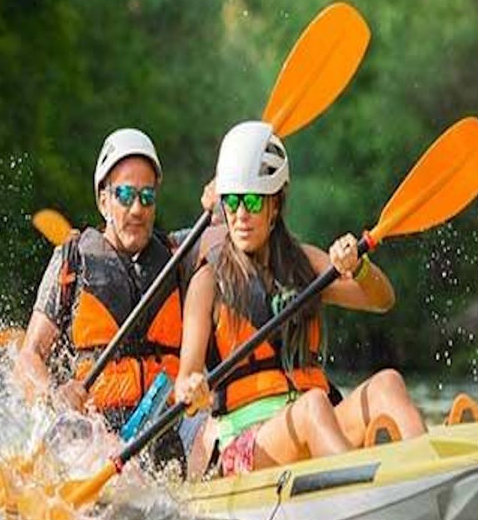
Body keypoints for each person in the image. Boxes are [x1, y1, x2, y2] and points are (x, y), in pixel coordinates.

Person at [174, 121, 426, 477]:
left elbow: (381, 300)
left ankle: (428, 470)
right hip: (244, 446)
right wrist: (193, 391)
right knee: (312, 408)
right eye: (231, 202)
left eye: (252, 201)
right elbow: (185, 380)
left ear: (275, 205)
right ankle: (362, 487)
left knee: (387, 384)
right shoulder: (207, 281)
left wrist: (358, 267)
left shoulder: (303, 262)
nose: (240, 215)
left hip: (315, 420)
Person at [16, 128, 196, 440]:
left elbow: (231, 226)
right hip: (95, 432)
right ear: (103, 201)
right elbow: (28, 356)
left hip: (168, 428)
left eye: (147, 197)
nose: (137, 209)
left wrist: (222, 193)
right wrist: (54, 395)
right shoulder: (72, 260)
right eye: (125, 195)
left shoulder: (179, 254)